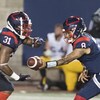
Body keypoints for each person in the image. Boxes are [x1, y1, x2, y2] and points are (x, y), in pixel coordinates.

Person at [38, 16, 100, 100]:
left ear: (77, 29)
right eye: (66, 32)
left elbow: (66, 60)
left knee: (80, 98)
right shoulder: (84, 37)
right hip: (97, 73)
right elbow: (92, 56)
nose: (66, 35)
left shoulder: (83, 43)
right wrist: (86, 68)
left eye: (69, 32)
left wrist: (46, 65)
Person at [0, 11, 44, 100]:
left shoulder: (14, 34)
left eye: (27, 26)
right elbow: (2, 65)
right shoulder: (9, 39)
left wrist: (35, 41)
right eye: (24, 26)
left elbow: (27, 41)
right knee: (6, 88)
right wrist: (17, 77)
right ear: (15, 26)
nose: (26, 29)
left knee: (6, 88)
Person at [40, 23, 83, 91]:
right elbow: (46, 49)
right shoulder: (52, 37)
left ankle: (51, 83)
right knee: (41, 61)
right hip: (61, 61)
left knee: (71, 88)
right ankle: (44, 81)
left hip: (67, 62)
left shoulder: (82, 41)